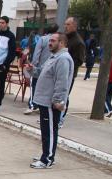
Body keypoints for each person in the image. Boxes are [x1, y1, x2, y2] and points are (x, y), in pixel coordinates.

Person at [25, 33, 73, 169]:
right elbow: (41, 72)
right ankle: (47, 154)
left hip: (51, 102)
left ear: (62, 43)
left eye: (53, 41)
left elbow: (62, 82)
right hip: (44, 101)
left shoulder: (63, 59)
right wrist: (32, 69)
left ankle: (47, 159)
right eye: (49, 40)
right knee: (46, 131)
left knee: (49, 131)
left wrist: (58, 100)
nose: (49, 43)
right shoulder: (53, 57)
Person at [24, 23, 59, 114]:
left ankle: (32, 105)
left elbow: (36, 55)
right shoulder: (58, 41)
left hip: (39, 68)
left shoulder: (42, 39)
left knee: (34, 86)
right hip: (51, 69)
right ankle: (43, 106)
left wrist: (33, 66)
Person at [60, 16, 85, 127]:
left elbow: (79, 60)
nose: (65, 26)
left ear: (74, 26)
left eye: (68, 24)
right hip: (58, 72)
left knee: (64, 96)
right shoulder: (64, 38)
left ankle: (61, 118)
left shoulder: (78, 42)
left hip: (68, 75)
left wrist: (66, 65)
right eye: (65, 24)